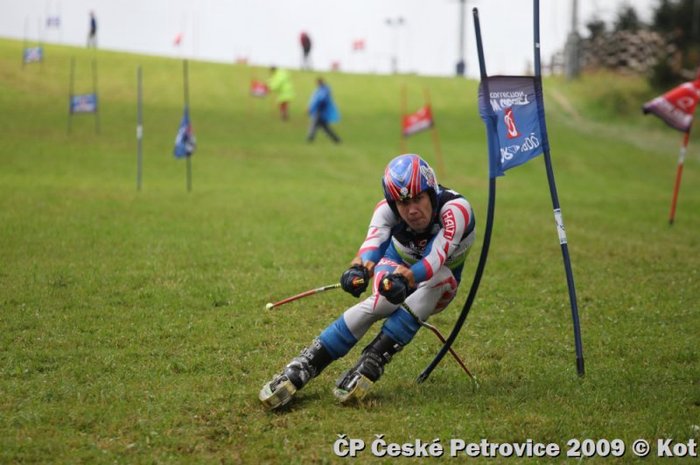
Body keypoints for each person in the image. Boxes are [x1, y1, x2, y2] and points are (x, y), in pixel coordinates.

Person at [259, 154, 476, 410]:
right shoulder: (386, 210)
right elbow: (370, 249)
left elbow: (434, 260)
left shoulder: (455, 209)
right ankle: (306, 363)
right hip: (396, 265)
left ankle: (375, 357)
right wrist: (357, 271)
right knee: (382, 303)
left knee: (439, 279)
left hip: (438, 281)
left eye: (418, 198)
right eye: (403, 203)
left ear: (432, 193)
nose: (412, 210)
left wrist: (406, 280)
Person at [306, 78, 341, 143]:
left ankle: (310, 138)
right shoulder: (322, 90)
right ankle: (336, 139)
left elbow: (319, 100)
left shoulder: (323, 90)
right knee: (324, 127)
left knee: (315, 124)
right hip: (321, 111)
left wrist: (311, 108)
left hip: (320, 111)